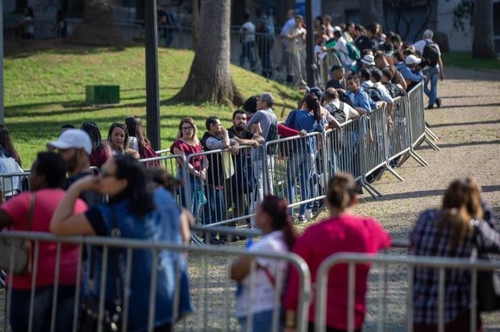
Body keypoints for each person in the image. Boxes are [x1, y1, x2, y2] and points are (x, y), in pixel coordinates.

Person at [50, 154, 193, 331]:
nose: (99, 178)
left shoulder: (107, 214)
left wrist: (76, 186)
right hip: (168, 299)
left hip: (131, 307)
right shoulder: (161, 197)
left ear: (123, 182)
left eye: (105, 174)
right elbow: (188, 219)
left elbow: (57, 226)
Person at [283, 172, 391, 332]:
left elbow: (296, 281)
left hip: (314, 316)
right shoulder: (368, 229)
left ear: (327, 200)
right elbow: (385, 240)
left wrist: (290, 323)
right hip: (351, 317)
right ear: (355, 200)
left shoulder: (312, 234)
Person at [0, 152, 88, 332]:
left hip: (27, 283)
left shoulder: (26, 201)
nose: (29, 176)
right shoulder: (78, 205)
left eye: (32, 172)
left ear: (41, 177)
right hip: (70, 281)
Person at [411, 178, 500, 332]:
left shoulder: (426, 217)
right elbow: (496, 242)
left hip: (422, 316)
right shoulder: (473, 226)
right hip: (457, 315)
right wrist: (485, 213)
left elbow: (414, 240)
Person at [230, 195, 298, 331]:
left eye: (258, 210)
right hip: (269, 309)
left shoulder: (269, 246)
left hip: (261, 312)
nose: (255, 213)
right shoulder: (281, 240)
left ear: (266, 217)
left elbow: (235, 271)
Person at [200, 117, 239, 242]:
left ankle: (219, 234)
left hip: (220, 181)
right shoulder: (208, 140)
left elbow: (233, 142)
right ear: (211, 126)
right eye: (219, 125)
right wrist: (226, 133)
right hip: (209, 181)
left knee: (220, 210)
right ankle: (208, 237)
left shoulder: (218, 138)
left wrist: (237, 144)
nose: (221, 127)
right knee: (209, 212)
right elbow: (225, 144)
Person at [47, 128, 104, 207]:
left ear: (81, 152)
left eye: (64, 150)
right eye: (58, 151)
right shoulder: (98, 185)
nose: (59, 155)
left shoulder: (68, 186)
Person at [170, 117, 207, 222]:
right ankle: (185, 236)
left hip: (199, 177)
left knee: (197, 208)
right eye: (184, 128)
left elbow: (204, 158)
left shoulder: (197, 142)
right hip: (186, 178)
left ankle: (192, 235)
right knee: (188, 208)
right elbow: (185, 163)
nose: (187, 130)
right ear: (181, 130)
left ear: (194, 129)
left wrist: (203, 171)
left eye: (189, 128)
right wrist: (198, 173)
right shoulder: (178, 144)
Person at [411, 29, 444, 109]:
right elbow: (439, 59)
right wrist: (441, 72)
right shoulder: (435, 45)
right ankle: (432, 102)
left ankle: (435, 100)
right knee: (434, 86)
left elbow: (411, 47)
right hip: (436, 67)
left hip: (426, 67)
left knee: (423, 86)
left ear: (425, 36)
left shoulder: (421, 43)